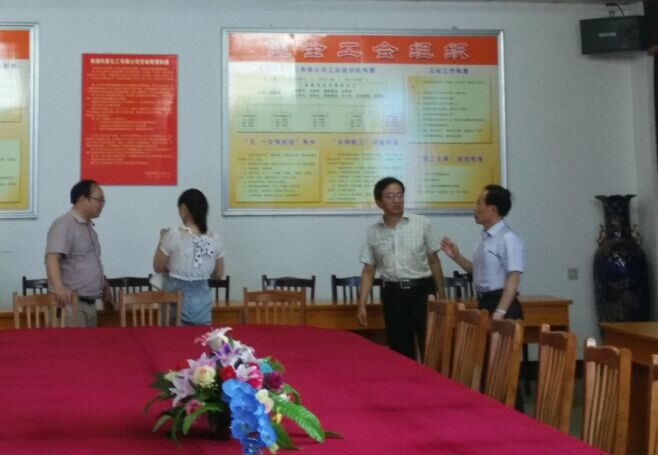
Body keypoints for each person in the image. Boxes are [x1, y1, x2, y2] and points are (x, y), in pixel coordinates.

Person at [356, 177, 446, 360]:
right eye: (390, 196)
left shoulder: (422, 223)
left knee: (430, 345)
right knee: (400, 348)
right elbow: (368, 271)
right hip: (393, 294)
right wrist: (361, 305)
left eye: (399, 195)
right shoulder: (373, 232)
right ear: (379, 202)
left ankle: (431, 379)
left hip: (422, 291)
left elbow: (434, 262)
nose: (396, 200)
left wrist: (442, 295)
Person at [440, 184, 525, 321]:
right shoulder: (484, 239)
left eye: (479, 203)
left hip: (502, 306)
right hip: (484, 303)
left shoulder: (508, 239)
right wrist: (456, 256)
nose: (474, 208)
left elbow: (513, 278)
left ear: (493, 209)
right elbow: (477, 272)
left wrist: (500, 312)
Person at [45, 179, 113, 327]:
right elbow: (51, 258)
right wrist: (59, 288)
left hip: (89, 304)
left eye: (103, 201)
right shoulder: (64, 225)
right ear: (82, 199)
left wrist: (104, 285)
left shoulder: (89, 229)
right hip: (70, 304)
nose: (102, 205)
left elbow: (89, 262)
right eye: (99, 200)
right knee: (72, 343)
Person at [153, 188, 224, 325]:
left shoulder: (173, 235)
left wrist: (161, 238)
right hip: (202, 300)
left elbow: (158, 266)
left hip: (174, 297)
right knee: (201, 335)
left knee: (173, 336)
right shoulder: (214, 238)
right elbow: (219, 274)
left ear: (184, 209)